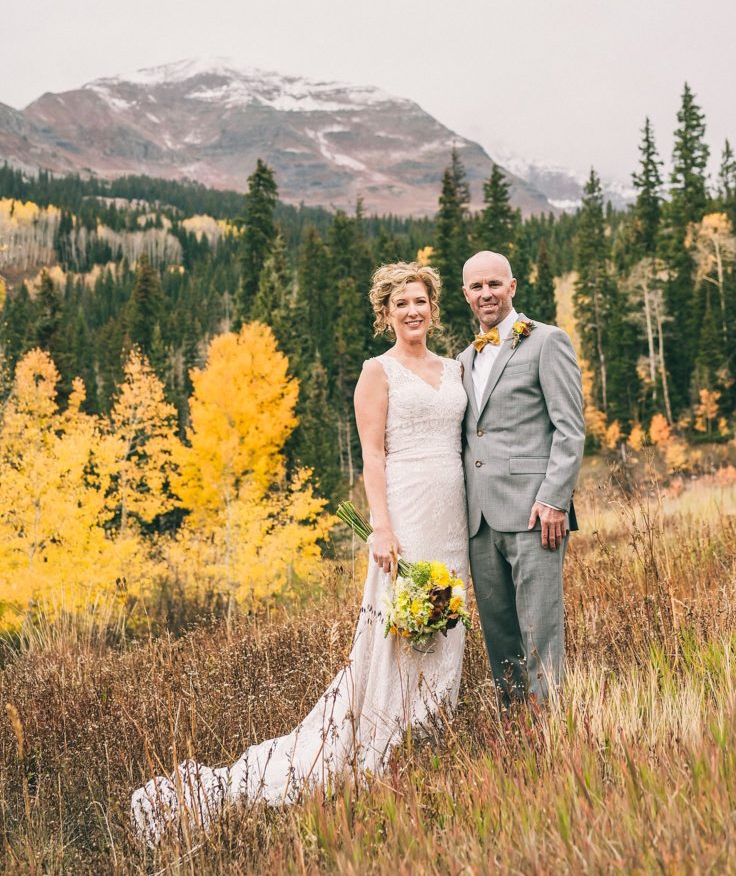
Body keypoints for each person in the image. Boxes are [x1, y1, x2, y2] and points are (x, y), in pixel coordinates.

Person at [131, 262, 468, 845]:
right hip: (406, 519)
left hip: (455, 522)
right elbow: (373, 457)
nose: (412, 310)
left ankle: (433, 736)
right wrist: (380, 528)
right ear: (385, 313)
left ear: (434, 308)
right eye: (400, 303)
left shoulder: (456, 368)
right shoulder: (377, 372)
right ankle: (383, 746)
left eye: (420, 301)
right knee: (394, 636)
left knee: (445, 626)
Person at [457, 250, 584, 705]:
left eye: (494, 284)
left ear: (512, 287)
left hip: (535, 514)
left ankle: (553, 731)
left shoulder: (548, 342)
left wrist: (555, 500)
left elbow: (570, 428)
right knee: (499, 638)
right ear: (466, 295)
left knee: (540, 631)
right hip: (479, 522)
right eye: (476, 286)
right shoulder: (463, 359)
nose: (486, 293)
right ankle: (515, 737)